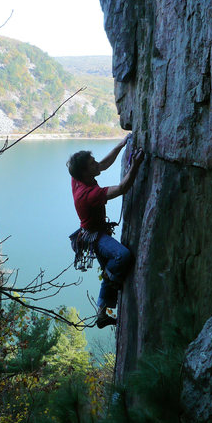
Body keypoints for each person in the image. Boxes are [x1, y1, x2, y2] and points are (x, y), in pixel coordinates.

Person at [67, 135, 144, 328]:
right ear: (85, 173)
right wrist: (135, 165)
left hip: (92, 232)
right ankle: (110, 279)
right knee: (122, 256)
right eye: (92, 164)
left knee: (110, 268)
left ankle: (102, 313)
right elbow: (122, 188)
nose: (97, 165)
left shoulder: (78, 178)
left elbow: (103, 165)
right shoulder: (88, 195)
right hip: (95, 236)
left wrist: (120, 145)